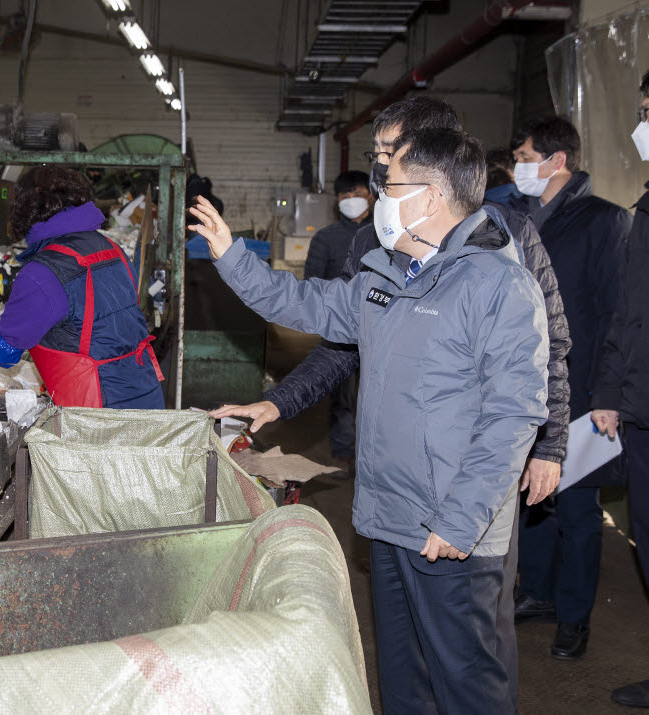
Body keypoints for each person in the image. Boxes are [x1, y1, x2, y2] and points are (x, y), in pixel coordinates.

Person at [212, 96, 571, 709]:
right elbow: (308, 307)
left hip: (451, 528)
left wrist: (461, 520)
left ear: (431, 197)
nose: (377, 197)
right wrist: (231, 258)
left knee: (467, 684)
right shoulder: (384, 275)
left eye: (390, 183)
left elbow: (513, 416)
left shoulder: (498, 284)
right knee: (403, 681)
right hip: (388, 517)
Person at [509, 116, 632, 660]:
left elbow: (615, 313)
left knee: (579, 511)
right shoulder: (516, 217)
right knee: (532, 497)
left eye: (525, 155)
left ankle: (574, 615)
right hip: (524, 386)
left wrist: (609, 393)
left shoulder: (603, 221)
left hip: (582, 390)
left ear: (557, 161)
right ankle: (537, 592)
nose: (518, 165)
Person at [0, 166, 164, 409]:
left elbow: (3, 350)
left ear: (25, 210)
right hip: (147, 396)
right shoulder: (111, 247)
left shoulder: (42, 272)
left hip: (100, 412)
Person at [589, 69, 649, 709]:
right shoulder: (648, 206)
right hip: (640, 413)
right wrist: (610, 391)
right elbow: (629, 315)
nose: (641, 126)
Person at [303, 170, 373, 474]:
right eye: (345, 196)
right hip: (341, 331)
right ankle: (343, 451)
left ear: (370, 195)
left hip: (379, 329)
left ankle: (373, 455)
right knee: (342, 396)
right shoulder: (326, 238)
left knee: (377, 394)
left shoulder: (386, 235)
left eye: (356, 194)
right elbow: (312, 283)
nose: (351, 200)